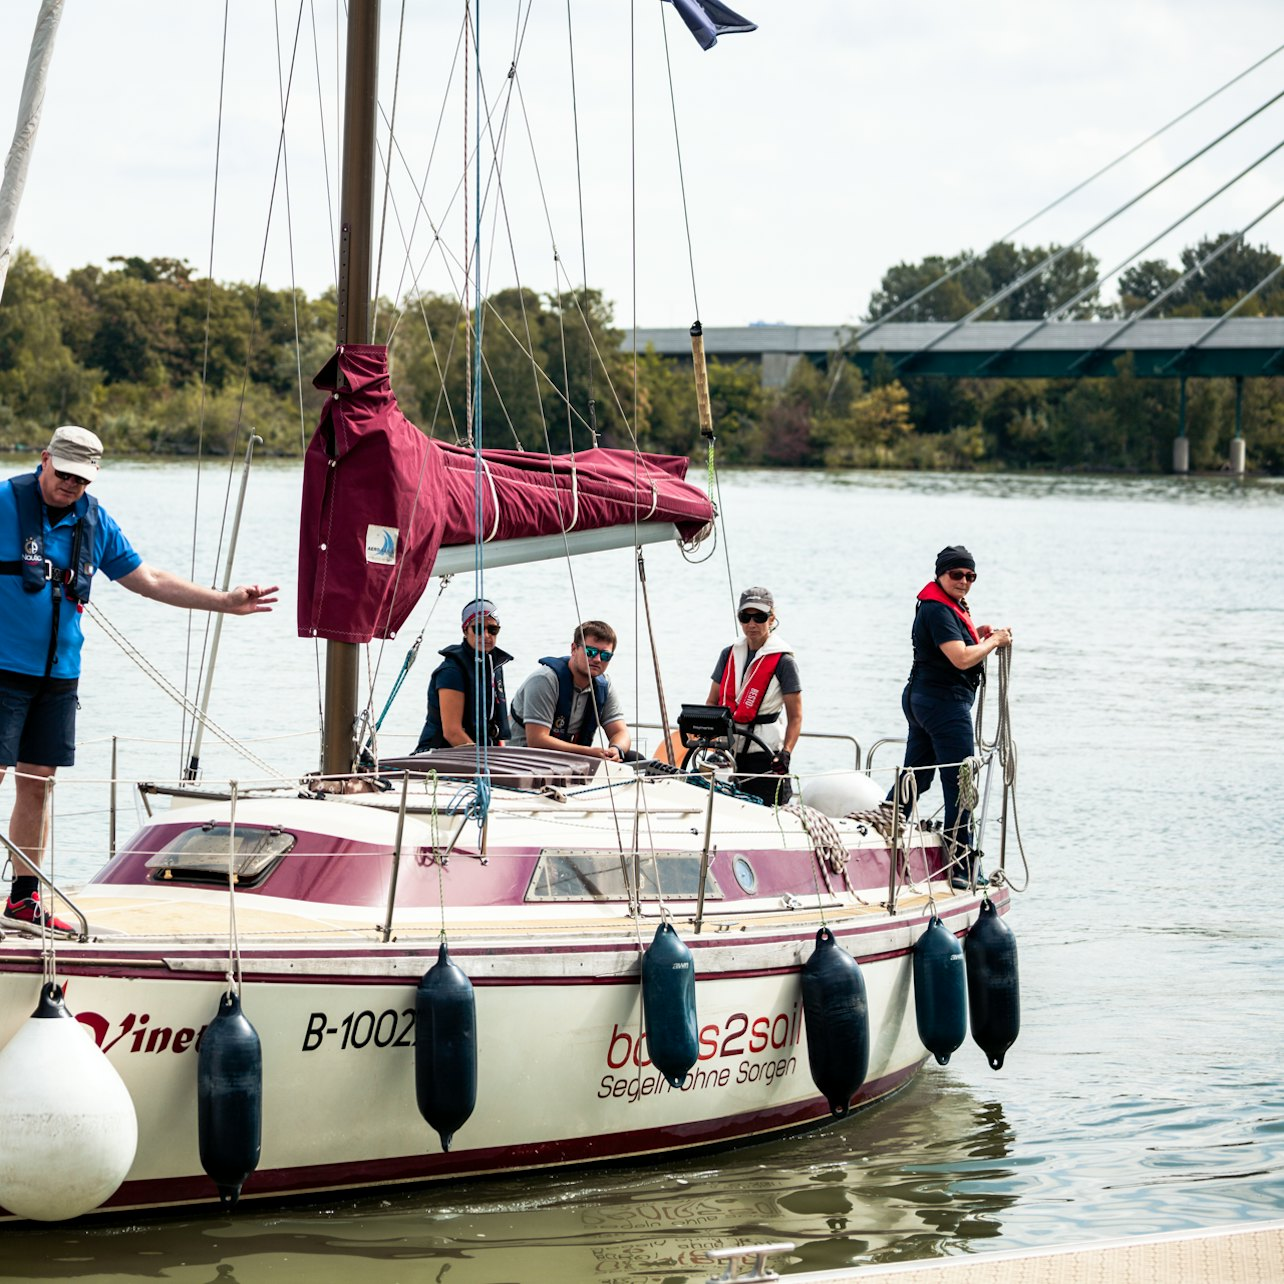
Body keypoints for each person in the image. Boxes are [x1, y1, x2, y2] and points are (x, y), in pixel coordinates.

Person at [0, 426, 278, 932]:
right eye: (62, 474)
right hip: (2, 669)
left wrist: (224, 602)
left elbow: (147, 580)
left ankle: (24, 898)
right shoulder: (3, 502)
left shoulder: (95, 520)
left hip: (59, 676)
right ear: (43, 460)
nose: (69, 486)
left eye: (80, 480)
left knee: (37, 786)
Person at [893, 545, 1011, 886]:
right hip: (943, 705)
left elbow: (955, 646)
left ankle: (884, 825)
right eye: (956, 575)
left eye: (970, 576)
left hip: (924, 700)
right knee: (960, 785)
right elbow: (960, 658)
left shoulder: (946, 606)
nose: (963, 581)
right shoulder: (938, 610)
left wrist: (979, 634)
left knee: (918, 775)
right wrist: (995, 642)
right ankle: (961, 865)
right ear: (940, 575)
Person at [706, 587, 802, 806]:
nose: (751, 624)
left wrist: (786, 753)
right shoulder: (727, 654)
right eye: (745, 617)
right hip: (729, 751)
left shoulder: (784, 662)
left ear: (771, 618)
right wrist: (713, 745)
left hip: (765, 754)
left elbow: (795, 717)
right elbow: (712, 702)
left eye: (759, 617)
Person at [508, 621, 632, 760]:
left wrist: (616, 750)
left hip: (573, 758)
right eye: (590, 652)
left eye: (605, 656)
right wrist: (589, 753)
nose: (597, 659)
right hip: (526, 758)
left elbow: (620, 732)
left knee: (634, 758)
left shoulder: (604, 685)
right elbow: (537, 741)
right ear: (574, 649)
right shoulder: (545, 680)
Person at [414, 598, 512, 751]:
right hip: (442, 753)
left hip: (481, 755)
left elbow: (496, 727)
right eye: (478, 629)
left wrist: (500, 757)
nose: (486, 635)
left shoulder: (494, 665)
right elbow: (452, 733)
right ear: (465, 630)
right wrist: (486, 766)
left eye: (493, 630)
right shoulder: (451, 671)